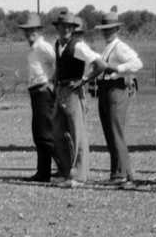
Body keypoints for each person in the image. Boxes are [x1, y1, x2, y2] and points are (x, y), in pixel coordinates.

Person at [93, 11, 143, 187]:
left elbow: (137, 63)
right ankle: (125, 172)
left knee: (115, 132)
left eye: (110, 29)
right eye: (104, 30)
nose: (106, 33)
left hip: (116, 89)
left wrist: (118, 69)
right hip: (106, 89)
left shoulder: (119, 46)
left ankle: (119, 174)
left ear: (116, 29)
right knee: (111, 132)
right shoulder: (108, 47)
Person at [52, 13, 99, 186]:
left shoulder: (78, 46)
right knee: (57, 131)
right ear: (57, 28)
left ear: (73, 29)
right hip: (61, 91)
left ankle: (79, 176)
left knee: (78, 134)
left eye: (69, 27)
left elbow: (99, 64)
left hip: (73, 92)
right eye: (63, 26)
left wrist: (84, 80)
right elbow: (58, 68)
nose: (66, 29)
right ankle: (67, 171)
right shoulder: (58, 45)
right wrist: (55, 87)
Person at [18, 13, 57, 182]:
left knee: (45, 134)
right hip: (35, 92)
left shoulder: (43, 47)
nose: (29, 33)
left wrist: (51, 83)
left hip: (43, 92)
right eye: (27, 30)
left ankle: (62, 169)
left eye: (32, 30)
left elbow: (59, 62)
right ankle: (43, 172)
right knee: (39, 134)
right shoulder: (34, 49)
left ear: (39, 30)